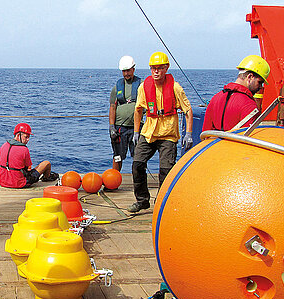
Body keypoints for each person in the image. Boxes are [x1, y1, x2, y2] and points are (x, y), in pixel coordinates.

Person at [128, 52, 193, 213]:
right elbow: (138, 110)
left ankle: (162, 204)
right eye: (153, 68)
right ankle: (142, 200)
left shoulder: (175, 88)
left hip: (168, 135)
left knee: (166, 171)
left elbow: (188, 110)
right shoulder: (144, 87)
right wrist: (136, 132)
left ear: (166, 68)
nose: (156, 71)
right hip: (149, 133)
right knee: (137, 164)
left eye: (159, 68)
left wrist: (188, 133)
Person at [202, 55, 270, 132]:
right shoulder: (249, 105)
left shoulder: (215, 98)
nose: (260, 87)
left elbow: (206, 133)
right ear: (250, 77)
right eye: (259, 82)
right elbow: (248, 136)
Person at [0, 123, 58, 188]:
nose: (28, 139)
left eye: (29, 137)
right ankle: (46, 177)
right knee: (46, 163)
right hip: (20, 183)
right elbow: (28, 168)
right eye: (26, 137)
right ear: (18, 135)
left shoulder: (4, 145)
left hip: (3, 182)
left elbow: (0, 161)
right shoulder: (24, 149)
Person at [109, 55, 142, 171]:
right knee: (117, 156)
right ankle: (114, 179)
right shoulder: (116, 87)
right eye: (124, 71)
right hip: (120, 128)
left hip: (136, 128)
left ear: (133, 69)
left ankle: (138, 179)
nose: (126, 73)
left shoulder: (141, 86)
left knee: (138, 156)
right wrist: (112, 126)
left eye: (128, 70)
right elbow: (112, 107)